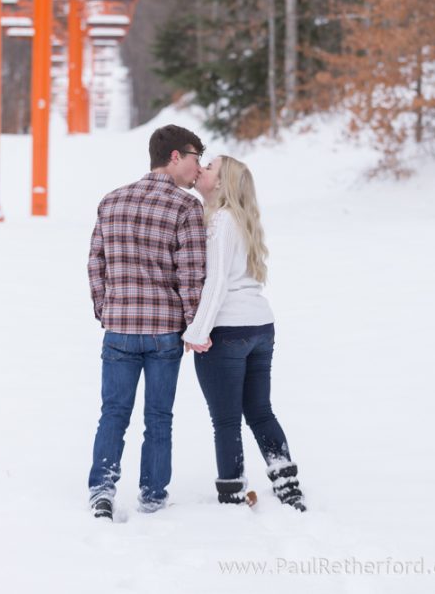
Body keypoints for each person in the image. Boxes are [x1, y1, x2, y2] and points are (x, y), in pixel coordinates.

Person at [87, 124, 206, 520]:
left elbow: (96, 264)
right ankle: (153, 495)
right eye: (194, 158)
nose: (198, 168)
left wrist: (107, 310)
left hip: (119, 328)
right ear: (175, 156)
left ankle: (102, 489)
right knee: (159, 416)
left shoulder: (111, 200)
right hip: (163, 332)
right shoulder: (186, 208)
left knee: (113, 413)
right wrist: (194, 326)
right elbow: (191, 276)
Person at [183, 155, 306, 511]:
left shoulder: (221, 221)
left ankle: (232, 492)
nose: (201, 170)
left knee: (226, 420)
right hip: (260, 328)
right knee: (260, 411)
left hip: (228, 332)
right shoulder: (242, 220)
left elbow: (217, 281)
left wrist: (197, 330)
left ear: (221, 184)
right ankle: (287, 482)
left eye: (209, 168)